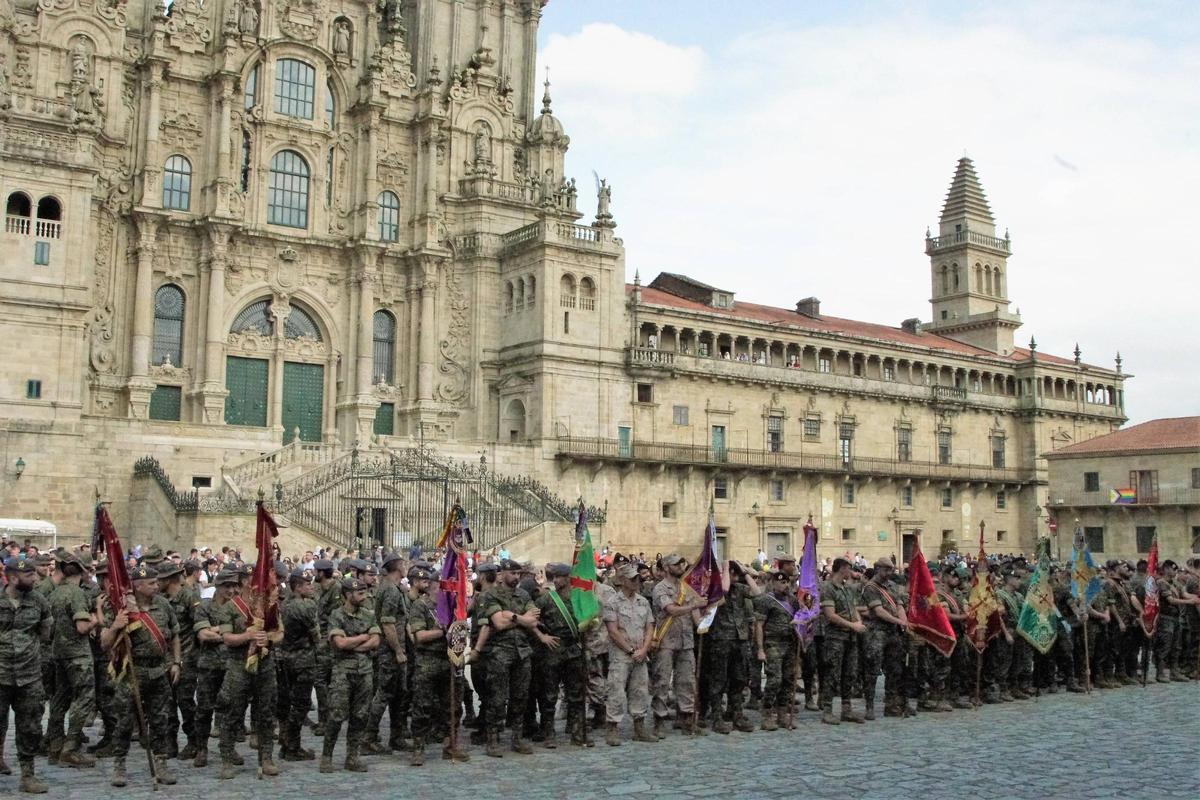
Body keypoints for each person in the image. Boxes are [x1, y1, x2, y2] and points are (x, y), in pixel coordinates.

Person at [99, 563, 180, 788]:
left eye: (156, 582)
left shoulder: (163, 605)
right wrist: (116, 626)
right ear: (137, 586)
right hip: (131, 673)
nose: (156, 586)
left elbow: (174, 635)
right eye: (151, 583)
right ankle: (119, 765)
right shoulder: (122, 608)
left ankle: (161, 764)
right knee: (124, 721)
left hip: (159, 671)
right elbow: (105, 643)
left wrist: (176, 662)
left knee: (160, 720)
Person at [215, 566, 281, 779]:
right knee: (232, 712)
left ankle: (267, 757)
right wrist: (248, 636)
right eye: (257, 580)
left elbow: (280, 633)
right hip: (239, 666)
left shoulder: (268, 607)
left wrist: (268, 639)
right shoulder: (230, 608)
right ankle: (226, 757)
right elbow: (227, 638)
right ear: (245, 582)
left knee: (266, 712)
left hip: (265, 664)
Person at [475, 558, 539, 757]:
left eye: (519, 574)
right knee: (497, 698)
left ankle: (517, 738)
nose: (517, 577)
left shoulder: (523, 594)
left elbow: (534, 619)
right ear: (502, 575)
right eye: (513, 573)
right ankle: (492, 739)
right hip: (500, 652)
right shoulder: (490, 595)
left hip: (522, 651)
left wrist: (512, 616)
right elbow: (498, 624)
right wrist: (522, 620)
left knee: (520, 697)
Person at [405, 563, 468, 765]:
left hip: (450, 661)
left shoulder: (452, 608)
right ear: (434, 585)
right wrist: (443, 632)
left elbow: (461, 633)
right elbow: (419, 636)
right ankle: (418, 747)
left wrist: (458, 631)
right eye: (445, 586)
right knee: (422, 707)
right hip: (428, 662)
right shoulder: (420, 606)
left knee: (453, 707)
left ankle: (451, 745)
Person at [0, 556, 53, 793]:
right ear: (13, 578)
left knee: (30, 726)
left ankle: (28, 775)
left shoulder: (38, 601)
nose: (35, 578)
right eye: (29, 575)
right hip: (0, 675)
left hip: (29, 675)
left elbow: (45, 631)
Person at [45, 551, 98, 769]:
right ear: (83, 571)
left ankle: (55, 745)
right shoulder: (76, 594)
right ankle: (70, 748)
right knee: (84, 698)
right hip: (77, 654)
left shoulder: (55, 593)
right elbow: (82, 626)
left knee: (60, 698)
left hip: (59, 652)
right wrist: (96, 619)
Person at [322, 576, 380, 773]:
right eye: (360, 592)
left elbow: (375, 641)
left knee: (360, 716)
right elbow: (339, 643)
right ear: (348, 594)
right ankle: (327, 756)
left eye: (364, 591)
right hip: (343, 672)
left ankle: (352, 757)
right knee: (336, 715)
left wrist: (354, 643)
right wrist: (364, 637)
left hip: (364, 672)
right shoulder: (336, 615)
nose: (364, 596)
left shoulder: (368, 614)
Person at [650, 553, 706, 738]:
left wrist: (704, 621)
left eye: (682, 563)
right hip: (666, 641)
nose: (681, 566)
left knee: (687, 681)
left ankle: (686, 718)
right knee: (662, 681)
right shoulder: (660, 588)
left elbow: (696, 616)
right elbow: (671, 610)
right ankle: (659, 720)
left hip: (686, 641)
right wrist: (693, 606)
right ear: (666, 567)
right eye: (676, 564)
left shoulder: (686, 588)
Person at [531, 562, 587, 746]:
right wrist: (542, 636)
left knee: (576, 693)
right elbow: (530, 620)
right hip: (553, 650)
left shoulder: (578, 598)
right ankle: (549, 733)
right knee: (549, 694)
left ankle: (578, 732)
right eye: (553, 577)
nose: (556, 580)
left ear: (568, 578)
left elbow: (589, 618)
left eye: (560, 577)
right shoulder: (547, 598)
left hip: (573, 649)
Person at [602, 563, 656, 746]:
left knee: (640, 690)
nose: (636, 581)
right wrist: (631, 651)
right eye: (632, 578)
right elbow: (613, 630)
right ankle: (612, 728)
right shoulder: (612, 603)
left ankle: (639, 727)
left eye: (638, 578)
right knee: (616, 690)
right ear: (622, 580)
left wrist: (644, 649)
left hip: (640, 653)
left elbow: (650, 626)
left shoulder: (643, 601)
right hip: (621, 654)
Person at [365, 552, 409, 754]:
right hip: (390, 651)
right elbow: (387, 623)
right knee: (384, 694)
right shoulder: (391, 590)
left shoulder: (391, 588)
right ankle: (369, 738)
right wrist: (398, 651)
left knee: (399, 695)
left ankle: (396, 736)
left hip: (393, 650)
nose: (406, 566)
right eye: (404, 563)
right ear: (398, 566)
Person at [158, 560, 199, 759]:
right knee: (167, 702)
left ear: (169, 579)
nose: (157, 582)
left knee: (185, 701)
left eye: (160, 579)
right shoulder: (160, 599)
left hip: (187, 657)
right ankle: (169, 741)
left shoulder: (188, 596)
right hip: (164, 657)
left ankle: (194, 741)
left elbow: (198, 626)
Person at [278, 567, 319, 761]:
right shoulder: (305, 606)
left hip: (286, 657)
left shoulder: (284, 604)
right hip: (303, 659)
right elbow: (315, 633)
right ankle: (292, 746)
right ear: (297, 586)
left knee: (288, 703)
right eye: (307, 584)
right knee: (301, 704)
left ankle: (286, 742)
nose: (311, 587)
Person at [818, 557, 866, 725]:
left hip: (850, 637)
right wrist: (853, 625)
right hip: (836, 638)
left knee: (850, 674)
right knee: (832, 673)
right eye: (849, 568)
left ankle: (847, 710)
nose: (851, 572)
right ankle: (827, 710)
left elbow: (853, 608)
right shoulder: (828, 588)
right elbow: (830, 615)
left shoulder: (847, 588)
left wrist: (858, 621)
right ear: (841, 569)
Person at [860, 557, 908, 719]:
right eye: (886, 569)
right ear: (877, 568)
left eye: (891, 570)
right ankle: (869, 706)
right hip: (876, 632)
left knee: (895, 669)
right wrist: (899, 621)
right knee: (872, 670)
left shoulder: (892, 586)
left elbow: (900, 606)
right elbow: (878, 611)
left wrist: (904, 621)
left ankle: (891, 704)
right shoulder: (870, 587)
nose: (889, 573)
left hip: (893, 633)